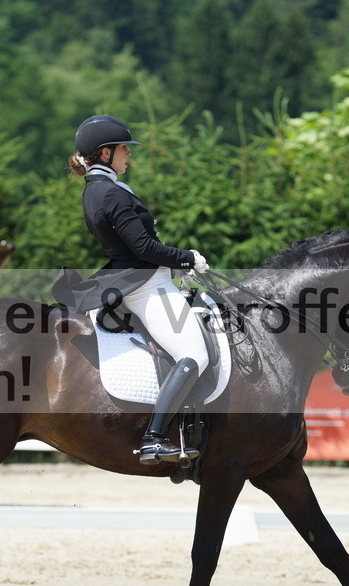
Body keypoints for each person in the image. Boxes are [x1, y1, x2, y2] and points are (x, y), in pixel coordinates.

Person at [55, 115, 211, 465]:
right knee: (194, 355)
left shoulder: (96, 190)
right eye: (124, 148)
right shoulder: (111, 193)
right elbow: (145, 248)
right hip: (145, 285)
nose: (129, 154)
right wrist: (188, 258)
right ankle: (155, 438)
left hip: (131, 278)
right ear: (106, 153)